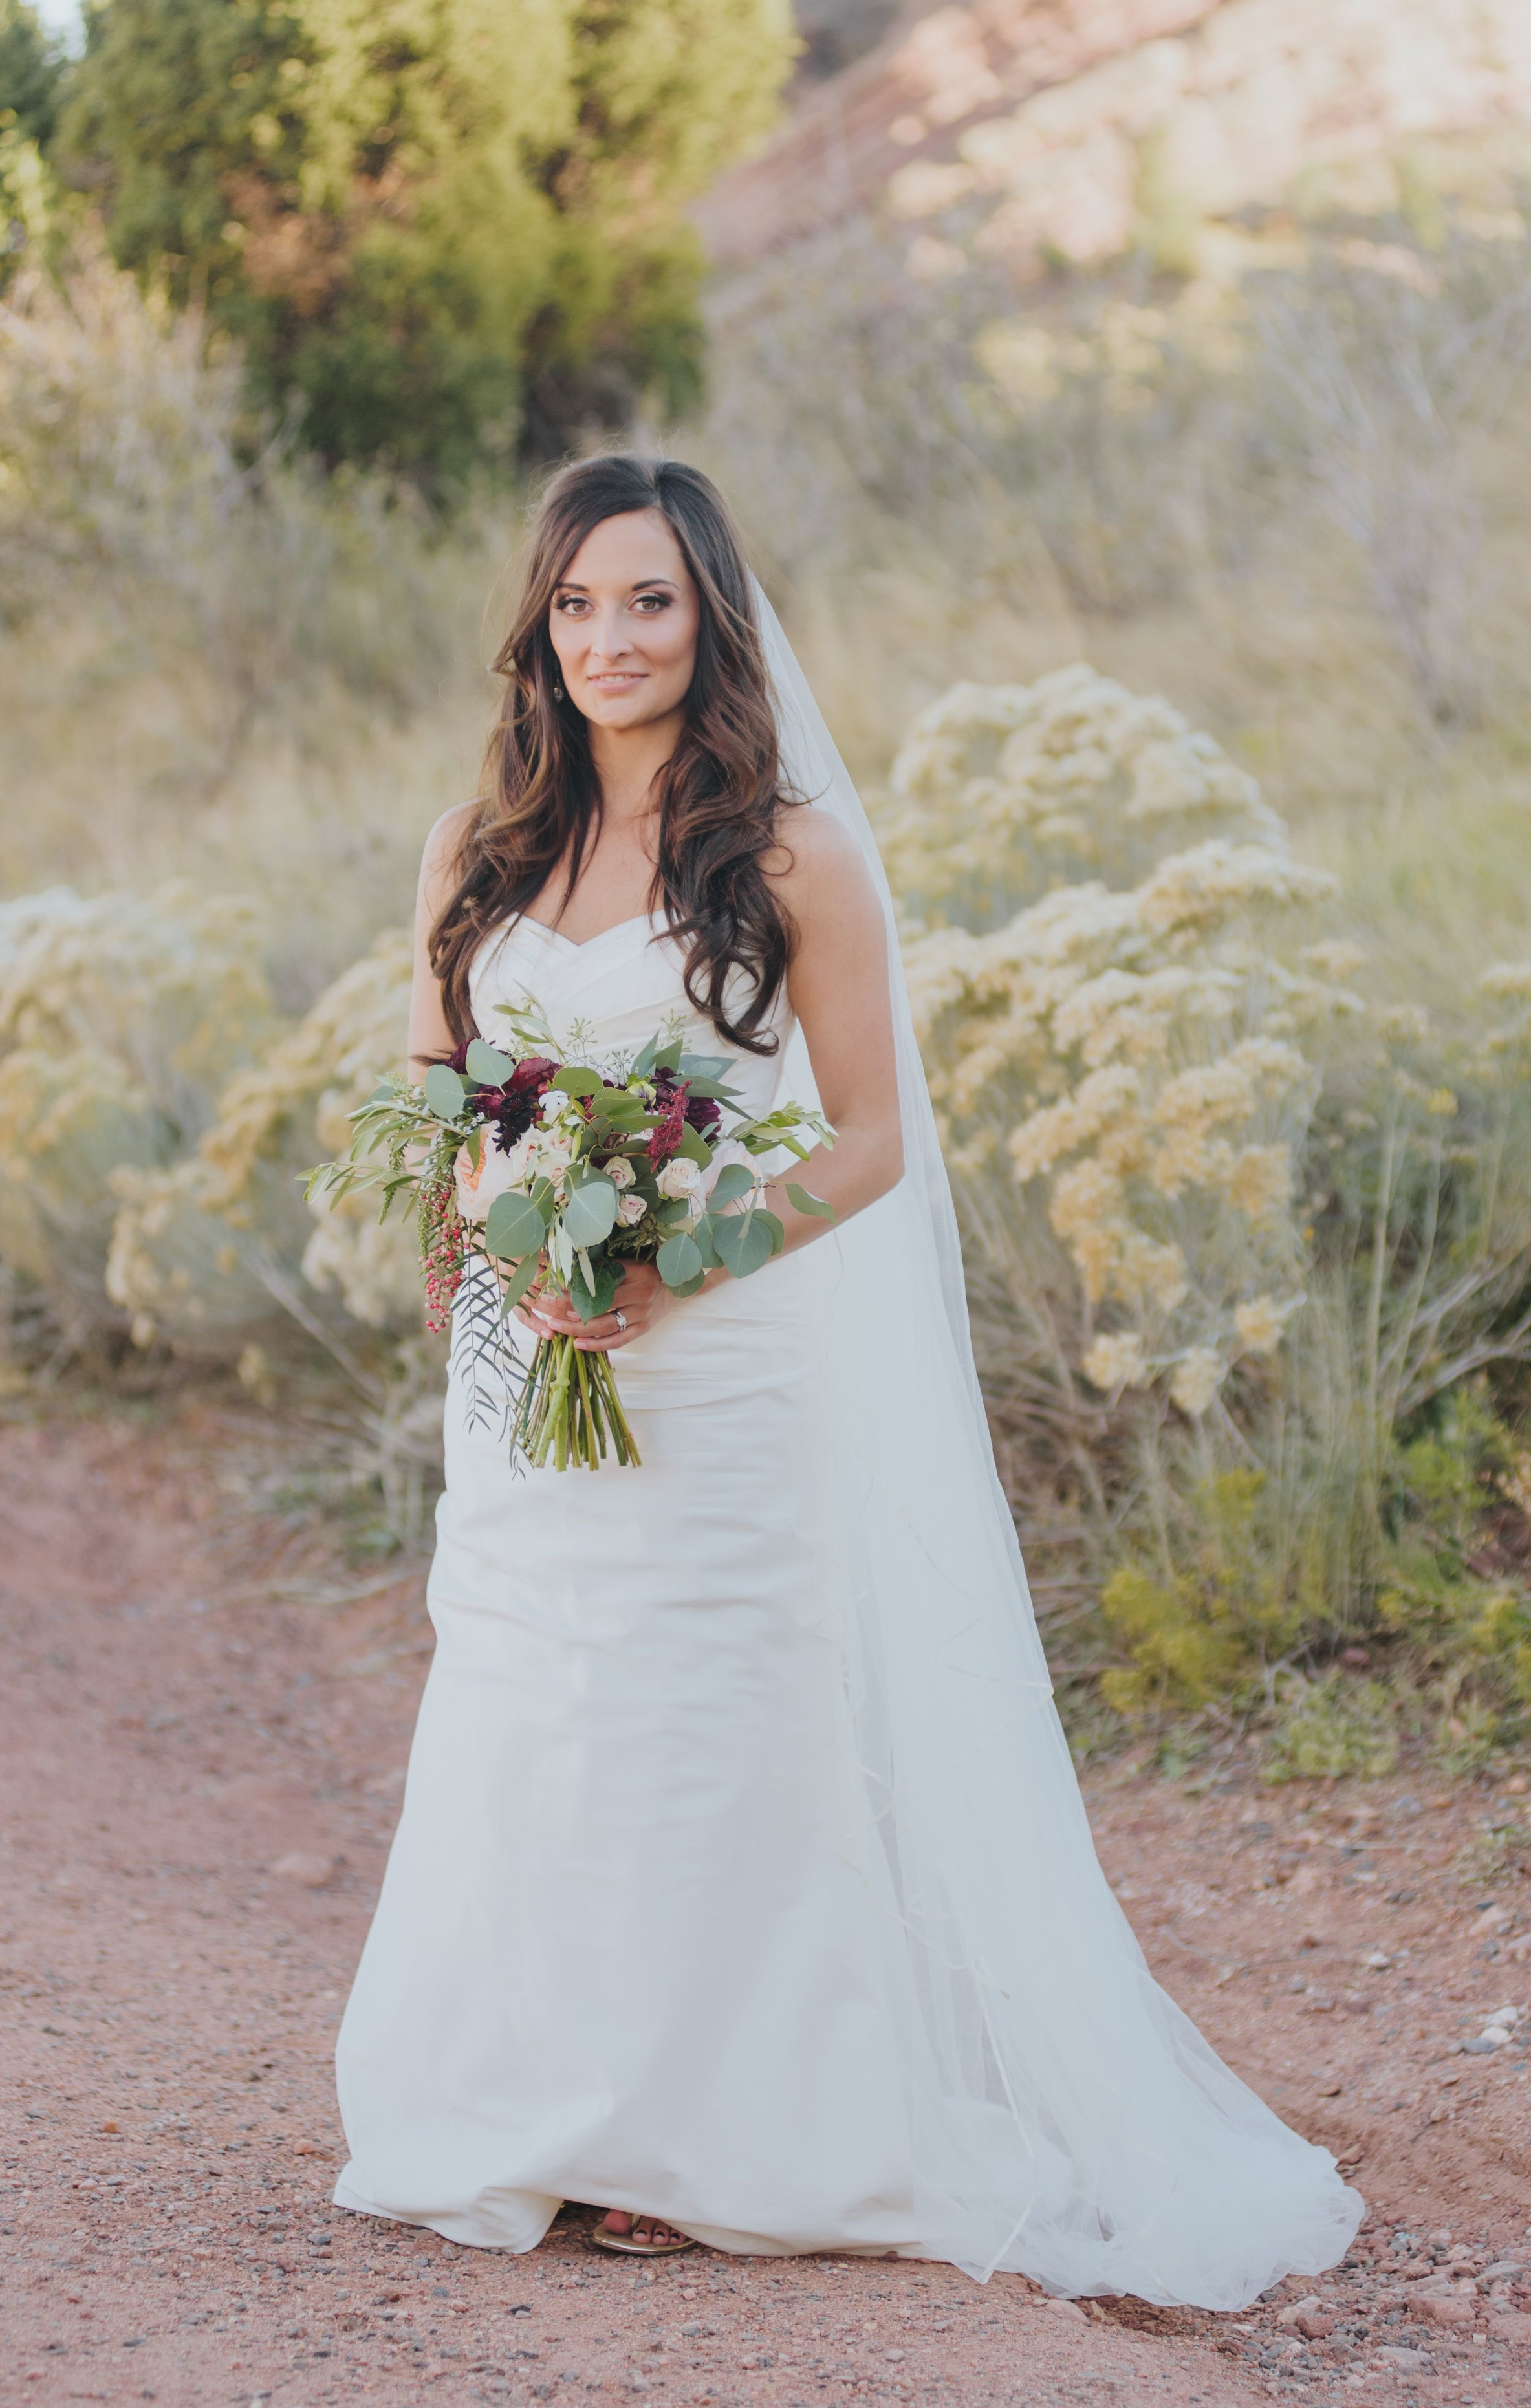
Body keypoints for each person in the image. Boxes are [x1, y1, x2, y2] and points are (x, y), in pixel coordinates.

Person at [332, 451, 1362, 2299]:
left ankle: (722, 2130)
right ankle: (541, 2107)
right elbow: (432, 1097)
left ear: (710, 615)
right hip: (527, 1368)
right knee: (538, 1717)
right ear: (536, 625)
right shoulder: (473, 844)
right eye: (575, 602)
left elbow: (871, 1138)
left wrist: (665, 1256)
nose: (608, 637)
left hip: (722, 1363)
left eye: (646, 599)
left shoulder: (792, 853)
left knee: (707, 1727)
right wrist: (506, 1245)